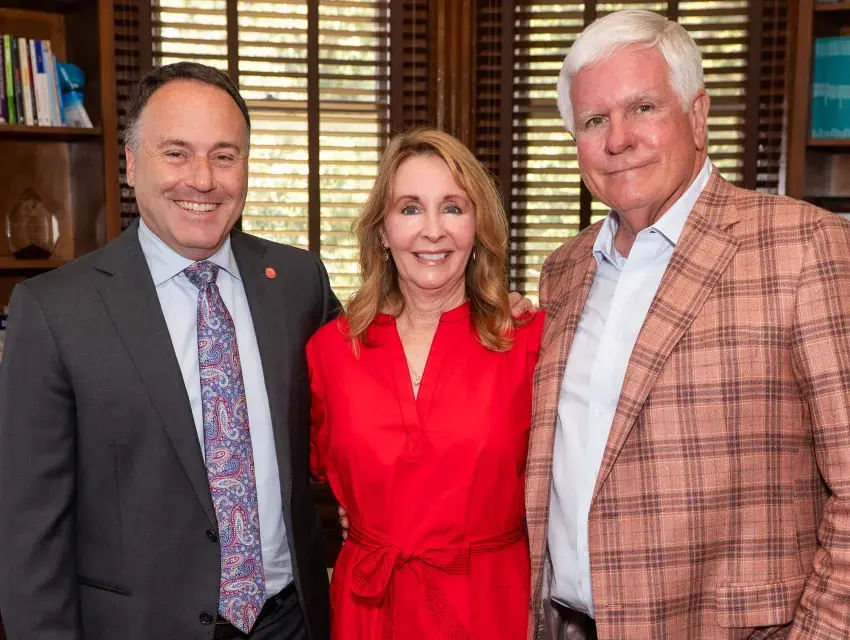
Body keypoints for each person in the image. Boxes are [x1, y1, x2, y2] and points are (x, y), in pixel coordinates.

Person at [526, 9, 850, 640]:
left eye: (643, 108)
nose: (618, 139)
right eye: (594, 121)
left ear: (697, 116)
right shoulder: (563, 271)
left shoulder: (804, 246)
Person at [0, 62, 337, 640]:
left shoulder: (299, 282)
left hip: (291, 621)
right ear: (132, 164)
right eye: (176, 153)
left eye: (225, 156)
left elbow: (372, 383)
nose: (203, 180)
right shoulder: (54, 311)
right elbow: (29, 532)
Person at [307, 127, 545, 639]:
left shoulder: (531, 342)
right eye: (411, 208)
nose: (433, 231)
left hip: (490, 608)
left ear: (477, 227)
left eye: (453, 208)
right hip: (368, 608)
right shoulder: (330, 350)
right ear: (382, 230)